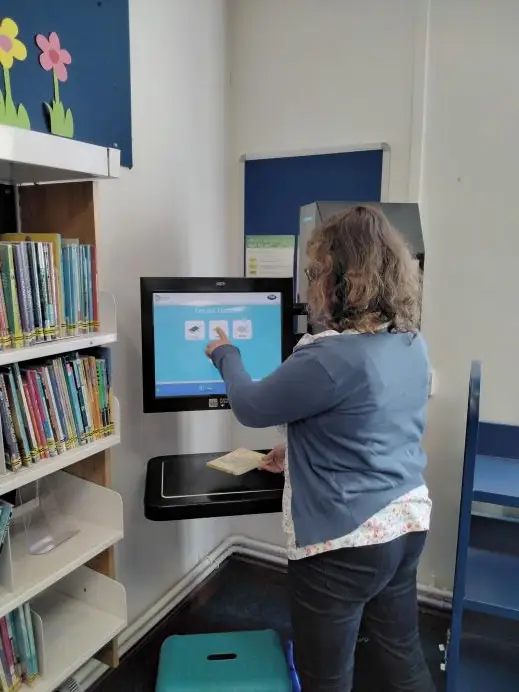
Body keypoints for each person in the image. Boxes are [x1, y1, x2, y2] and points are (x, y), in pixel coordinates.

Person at [205, 205, 435, 692]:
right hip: (405, 525)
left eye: (314, 272)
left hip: (343, 545)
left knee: (326, 676)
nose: (310, 282)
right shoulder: (411, 343)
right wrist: (297, 450)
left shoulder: (328, 356)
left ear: (338, 277)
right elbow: (369, 425)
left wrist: (226, 354)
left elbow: (250, 405)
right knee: (402, 659)